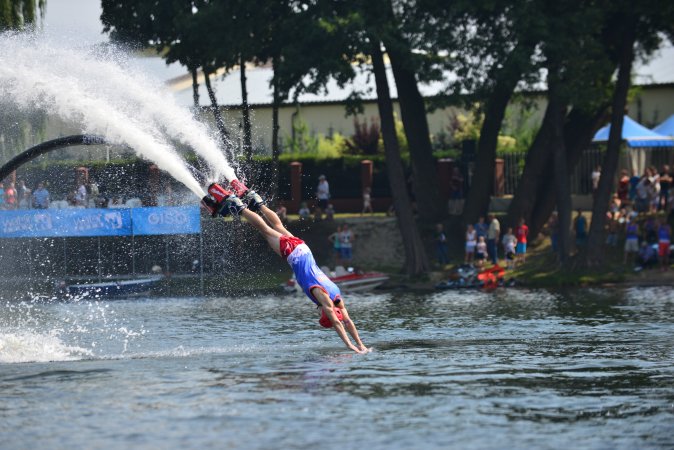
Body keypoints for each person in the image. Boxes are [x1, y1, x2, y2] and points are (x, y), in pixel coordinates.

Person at [207, 188, 369, 354]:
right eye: (320, 314)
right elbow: (337, 322)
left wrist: (361, 344)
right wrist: (350, 345)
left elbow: (347, 321)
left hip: (304, 249)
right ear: (326, 313)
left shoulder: (337, 296)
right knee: (264, 229)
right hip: (293, 254)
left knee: (278, 225)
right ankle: (238, 206)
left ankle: (258, 202)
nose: (318, 311)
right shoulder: (324, 298)